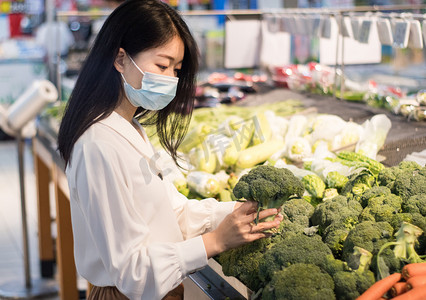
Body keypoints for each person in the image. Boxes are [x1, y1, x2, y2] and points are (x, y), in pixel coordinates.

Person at [57, 1, 283, 299]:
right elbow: (132, 272)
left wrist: (234, 213)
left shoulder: (129, 126)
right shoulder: (98, 144)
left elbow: (169, 212)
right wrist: (214, 241)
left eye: (176, 69)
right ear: (120, 58)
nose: (171, 79)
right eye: (162, 65)